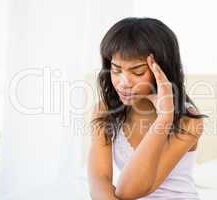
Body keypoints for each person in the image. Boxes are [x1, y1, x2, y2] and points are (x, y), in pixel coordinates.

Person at [87, 17, 208, 200]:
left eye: (137, 72)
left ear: (163, 70)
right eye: (116, 70)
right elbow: (99, 179)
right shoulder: (105, 111)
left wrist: (164, 118)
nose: (123, 83)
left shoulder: (189, 120)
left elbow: (128, 191)